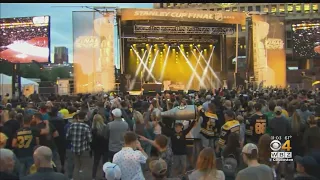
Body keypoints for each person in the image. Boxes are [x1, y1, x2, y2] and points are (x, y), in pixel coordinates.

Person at [49, 106, 66, 173]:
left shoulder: (48, 121)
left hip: (51, 138)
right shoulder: (61, 120)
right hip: (61, 138)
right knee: (62, 153)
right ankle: (62, 166)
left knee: (51, 153)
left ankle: (53, 166)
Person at [91, 114, 108, 180]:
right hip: (105, 147)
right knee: (105, 162)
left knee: (95, 162)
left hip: (96, 148)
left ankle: (93, 176)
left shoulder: (93, 129)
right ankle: (104, 176)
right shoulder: (105, 127)